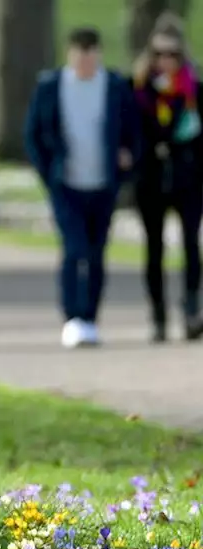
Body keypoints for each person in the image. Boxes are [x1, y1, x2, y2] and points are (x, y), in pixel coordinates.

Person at [25, 27, 141, 349]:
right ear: (70, 54)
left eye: (92, 55)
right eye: (80, 55)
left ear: (99, 54)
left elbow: (133, 131)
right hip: (66, 184)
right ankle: (72, 317)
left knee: (96, 252)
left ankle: (90, 318)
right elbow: (33, 134)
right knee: (74, 249)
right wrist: (49, 173)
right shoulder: (51, 86)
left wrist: (128, 158)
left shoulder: (115, 87)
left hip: (103, 185)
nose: (86, 62)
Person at [130, 15, 203, 343]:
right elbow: (133, 132)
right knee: (154, 247)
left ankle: (191, 308)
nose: (166, 61)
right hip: (152, 178)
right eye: (160, 54)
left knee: (190, 244)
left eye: (172, 54)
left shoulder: (193, 89)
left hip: (188, 177)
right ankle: (158, 314)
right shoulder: (139, 90)